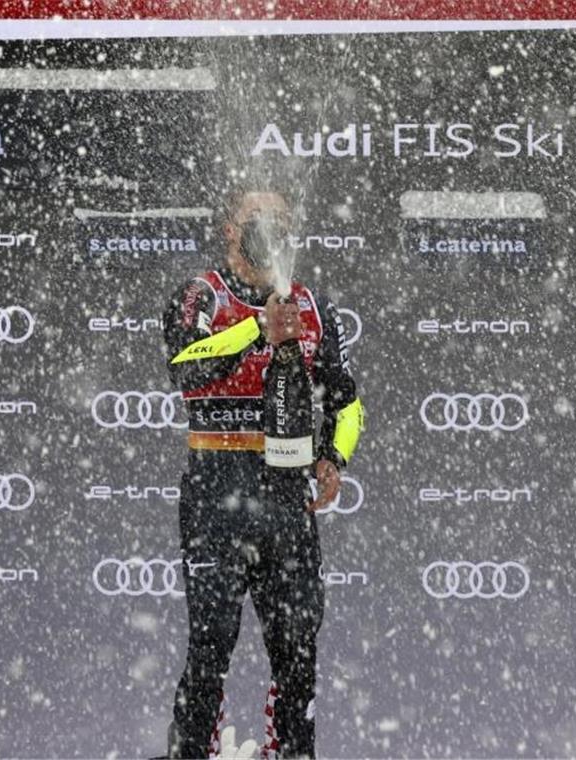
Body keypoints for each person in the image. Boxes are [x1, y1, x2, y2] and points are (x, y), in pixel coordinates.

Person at [159, 189, 364, 759]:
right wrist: (258, 331)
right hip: (217, 490)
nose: (268, 228)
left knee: (298, 648)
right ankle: (192, 751)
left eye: (279, 220)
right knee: (210, 644)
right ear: (230, 229)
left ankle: (292, 752)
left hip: (285, 494)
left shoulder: (312, 307)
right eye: (255, 220)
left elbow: (348, 404)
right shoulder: (202, 294)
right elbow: (185, 367)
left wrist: (334, 457)